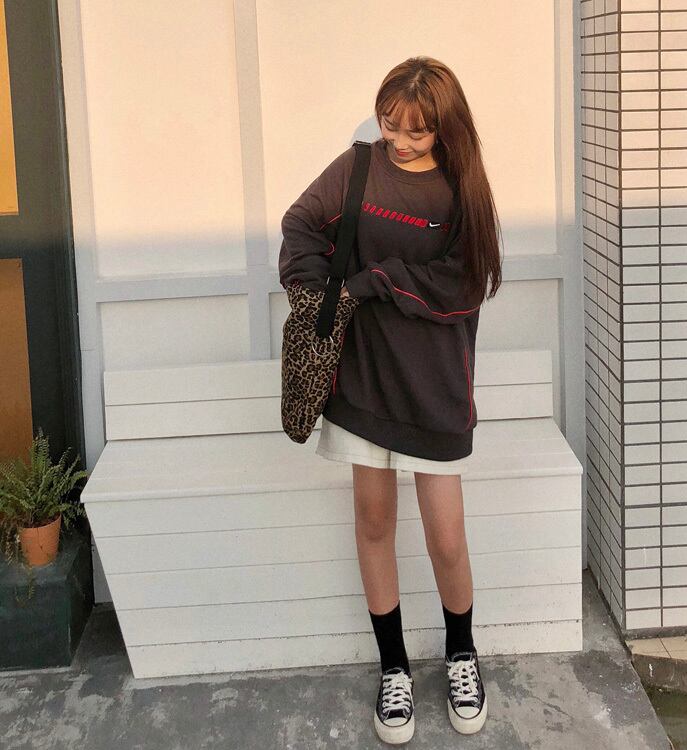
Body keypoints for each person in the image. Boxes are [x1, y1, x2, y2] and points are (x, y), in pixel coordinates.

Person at [278, 55, 502, 744]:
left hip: (434, 386)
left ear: (445, 128)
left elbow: (464, 283)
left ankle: (461, 654)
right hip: (363, 378)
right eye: (390, 124)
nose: (399, 141)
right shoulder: (357, 169)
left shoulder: (461, 188)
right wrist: (318, 295)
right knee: (374, 523)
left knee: (446, 536)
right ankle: (394, 668)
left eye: (417, 130)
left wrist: (370, 282)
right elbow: (299, 223)